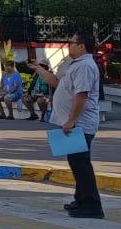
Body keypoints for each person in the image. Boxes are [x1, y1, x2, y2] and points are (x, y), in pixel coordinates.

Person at [33, 34, 104, 218]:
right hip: (69, 122)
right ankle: (80, 199)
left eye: (71, 43)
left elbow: (81, 95)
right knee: (75, 162)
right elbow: (57, 83)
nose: (68, 46)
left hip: (78, 123)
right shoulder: (75, 64)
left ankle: (92, 205)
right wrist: (37, 69)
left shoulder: (85, 66)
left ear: (81, 46)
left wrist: (71, 120)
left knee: (81, 163)